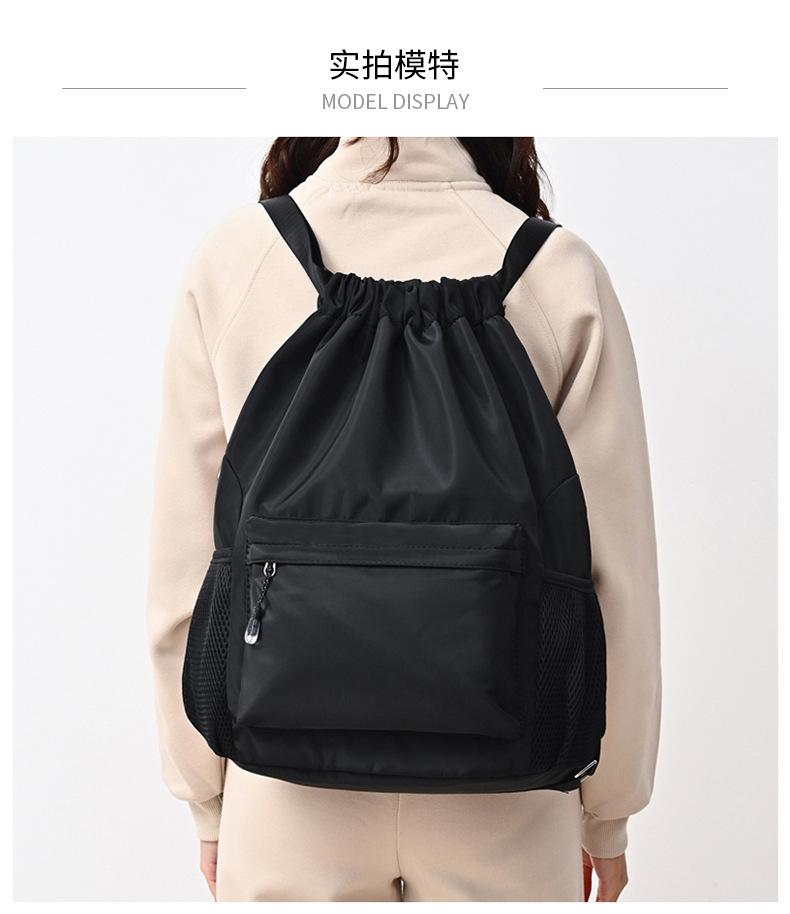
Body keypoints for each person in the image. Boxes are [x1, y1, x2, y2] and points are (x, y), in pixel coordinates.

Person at [147, 137, 660, 902]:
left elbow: (184, 571)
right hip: (509, 797)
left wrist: (208, 799)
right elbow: (616, 577)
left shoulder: (238, 259)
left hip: (286, 794)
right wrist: (607, 812)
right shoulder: (557, 270)